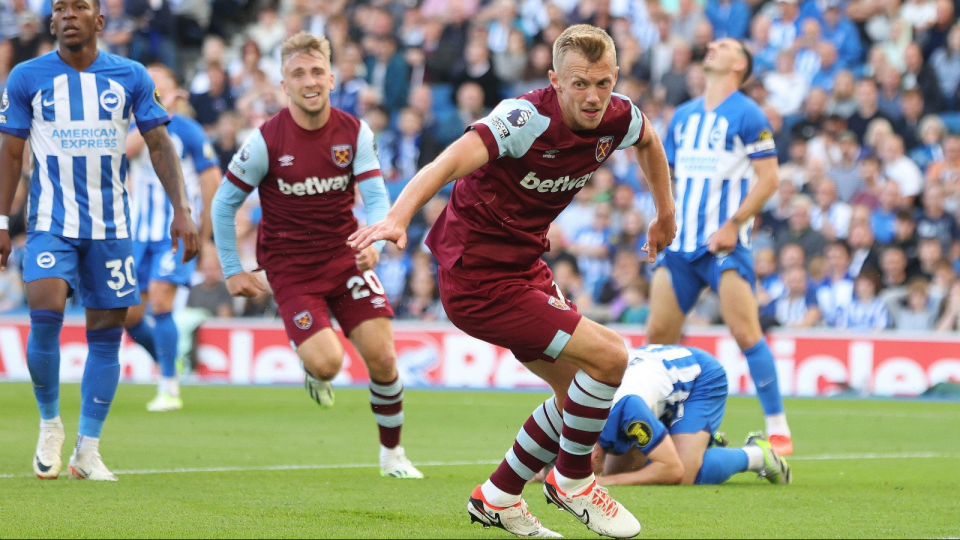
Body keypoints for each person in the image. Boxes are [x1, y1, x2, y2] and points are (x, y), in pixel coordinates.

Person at [350, 24, 676, 539]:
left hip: (525, 268)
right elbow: (446, 163)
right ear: (554, 80)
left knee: (578, 395)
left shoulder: (619, 115)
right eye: (580, 84)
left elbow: (650, 141)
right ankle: (573, 481)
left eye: (604, 83)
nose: (593, 97)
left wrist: (664, 213)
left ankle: (498, 496)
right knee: (612, 356)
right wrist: (397, 216)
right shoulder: (523, 119)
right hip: (477, 278)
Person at [0, 0, 199, 481]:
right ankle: (50, 423)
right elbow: (10, 152)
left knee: (106, 336)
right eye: (61, 8)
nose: (69, 14)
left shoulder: (130, 75)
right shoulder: (27, 77)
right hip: (51, 221)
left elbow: (157, 143)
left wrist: (182, 210)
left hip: (112, 227)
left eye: (80, 6)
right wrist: (2, 221)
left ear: (99, 21)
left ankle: (88, 449)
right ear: (52, 23)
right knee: (44, 315)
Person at [210, 32, 423, 480]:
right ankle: (312, 364)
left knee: (384, 360)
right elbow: (223, 203)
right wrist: (232, 269)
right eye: (297, 73)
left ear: (330, 77)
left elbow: (376, 197)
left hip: (345, 260)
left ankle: (392, 455)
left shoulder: (354, 131)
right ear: (284, 85)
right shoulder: (265, 141)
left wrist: (376, 244)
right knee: (328, 363)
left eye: (316, 72)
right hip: (291, 272)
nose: (309, 81)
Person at [645, 38, 794, 457]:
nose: (711, 45)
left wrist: (734, 224)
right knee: (657, 337)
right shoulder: (684, 115)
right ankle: (655, 422)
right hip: (681, 247)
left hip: (724, 245)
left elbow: (770, 179)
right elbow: (667, 175)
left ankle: (778, 428)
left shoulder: (748, 113)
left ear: (739, 64)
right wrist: (661, 218)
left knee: (746, 331)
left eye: (724, 45)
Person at [124, 64, 220, 412]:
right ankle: (172, 361)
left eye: (158, 82)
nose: (152, 86)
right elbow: (125, 152)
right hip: (138, 233)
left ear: (174, 87)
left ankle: (168, 387)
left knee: (162, 303)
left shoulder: (189, 131)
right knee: (129, 316)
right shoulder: (132, 127)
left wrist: (207, 238)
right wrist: (155, 115)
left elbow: (212, 185)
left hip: (174, 233)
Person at [591, 344, 791, 486]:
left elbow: (671, 470)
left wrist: (605, 481)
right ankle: (698, 442)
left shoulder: (628, 408)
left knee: (684, 473)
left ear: (594, 455)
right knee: (626, 474)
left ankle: (757, 455)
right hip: (655, 372)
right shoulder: (573, 411)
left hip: (700, 377)